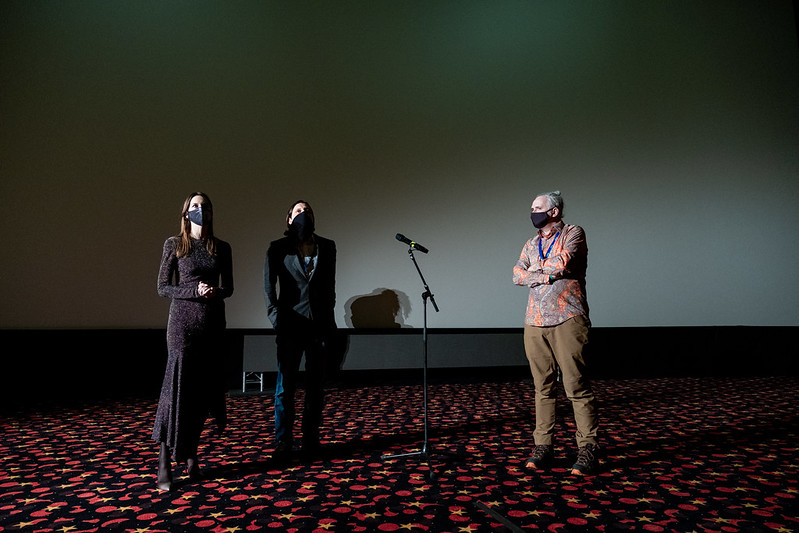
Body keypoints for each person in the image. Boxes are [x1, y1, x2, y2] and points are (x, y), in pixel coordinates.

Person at [512, 190, 599, 475]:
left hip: (567, 318)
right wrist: (544, 273)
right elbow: (516, 274)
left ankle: (588, 448)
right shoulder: (531, 243)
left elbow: (562, 264)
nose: (532, 212)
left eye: (537, 207)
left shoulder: (573, 233)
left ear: (554, 211)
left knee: (576, 386)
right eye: (531, 208)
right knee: (543, 388)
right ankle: (543, 446)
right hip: (534, 321)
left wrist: (535, 272)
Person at [153, 192, 234, 491]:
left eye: (205, 206)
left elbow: (229, 288)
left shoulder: (222, 247)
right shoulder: (174, 244)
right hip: (182, 325)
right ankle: (164, 459)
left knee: (201, 394)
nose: (201, 210)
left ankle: (191, 456)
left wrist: (214, 291)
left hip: (211, 324)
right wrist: (193, 291)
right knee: (175, 391)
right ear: (186, 213)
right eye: (195, 206)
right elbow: (163, 287)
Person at [264, 200, 337, 458]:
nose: (304, 214)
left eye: (308, 211)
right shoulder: (277, 248)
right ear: (289, 219)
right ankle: (283, 440)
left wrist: (328, 320)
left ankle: (310, 439)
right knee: (285, 387)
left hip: (319, 326)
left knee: (315, 387)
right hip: (290, 326)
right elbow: (269, 287)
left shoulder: (327, 246)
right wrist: (276, 319)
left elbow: (330, 286)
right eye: (298, 211)